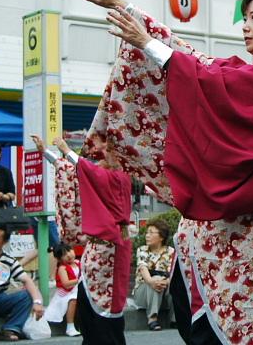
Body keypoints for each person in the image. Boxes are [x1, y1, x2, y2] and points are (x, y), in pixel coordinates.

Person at [81, 0, 253, 344]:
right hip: (216, 227)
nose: (245, 26)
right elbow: (190, 57)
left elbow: (203, 76)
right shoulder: (245, 73)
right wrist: (122, 6)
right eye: (244, 18)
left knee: (252, 326)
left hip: (251, 229)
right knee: (202, 318)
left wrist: (145, 43)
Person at [32, 134, 132, 345]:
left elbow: (87, 170)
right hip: (95, 250)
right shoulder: (98, 174)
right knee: (87, 307)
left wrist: (67, 150)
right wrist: (46, 153)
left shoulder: (118, 177)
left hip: (110, 249)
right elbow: (72, 170)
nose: (100, 154)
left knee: (105, 310)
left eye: (106, 149)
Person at [0, 223, 45, 343]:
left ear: (5, 241)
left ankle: (10, 329)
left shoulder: (9, 260)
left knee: (26, 295)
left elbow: (27, 280)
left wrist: (38, 302)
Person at [132, 218, 175, 331]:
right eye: (147, 232)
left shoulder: (171, 252)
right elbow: (143, 269)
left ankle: (175, 319)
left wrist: (166, 282)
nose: (147, 235)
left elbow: (173, 273)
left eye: (151, 232)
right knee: (155, 279)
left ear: (161, 237)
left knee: (175, 283)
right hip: (143, 293)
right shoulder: (142, 250)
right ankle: (152, 318)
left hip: (164, 292)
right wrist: (152, 281)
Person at [43, 243, 82, 337]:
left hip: (78, 289)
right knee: (73, 300)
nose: (68, 255)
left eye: (69, 251)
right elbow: (66, 284)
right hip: (66, 293)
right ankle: (70, 326)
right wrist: (80, 280)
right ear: (59, 259)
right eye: (64, 255)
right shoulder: (62, 268)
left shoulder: (78, 263)